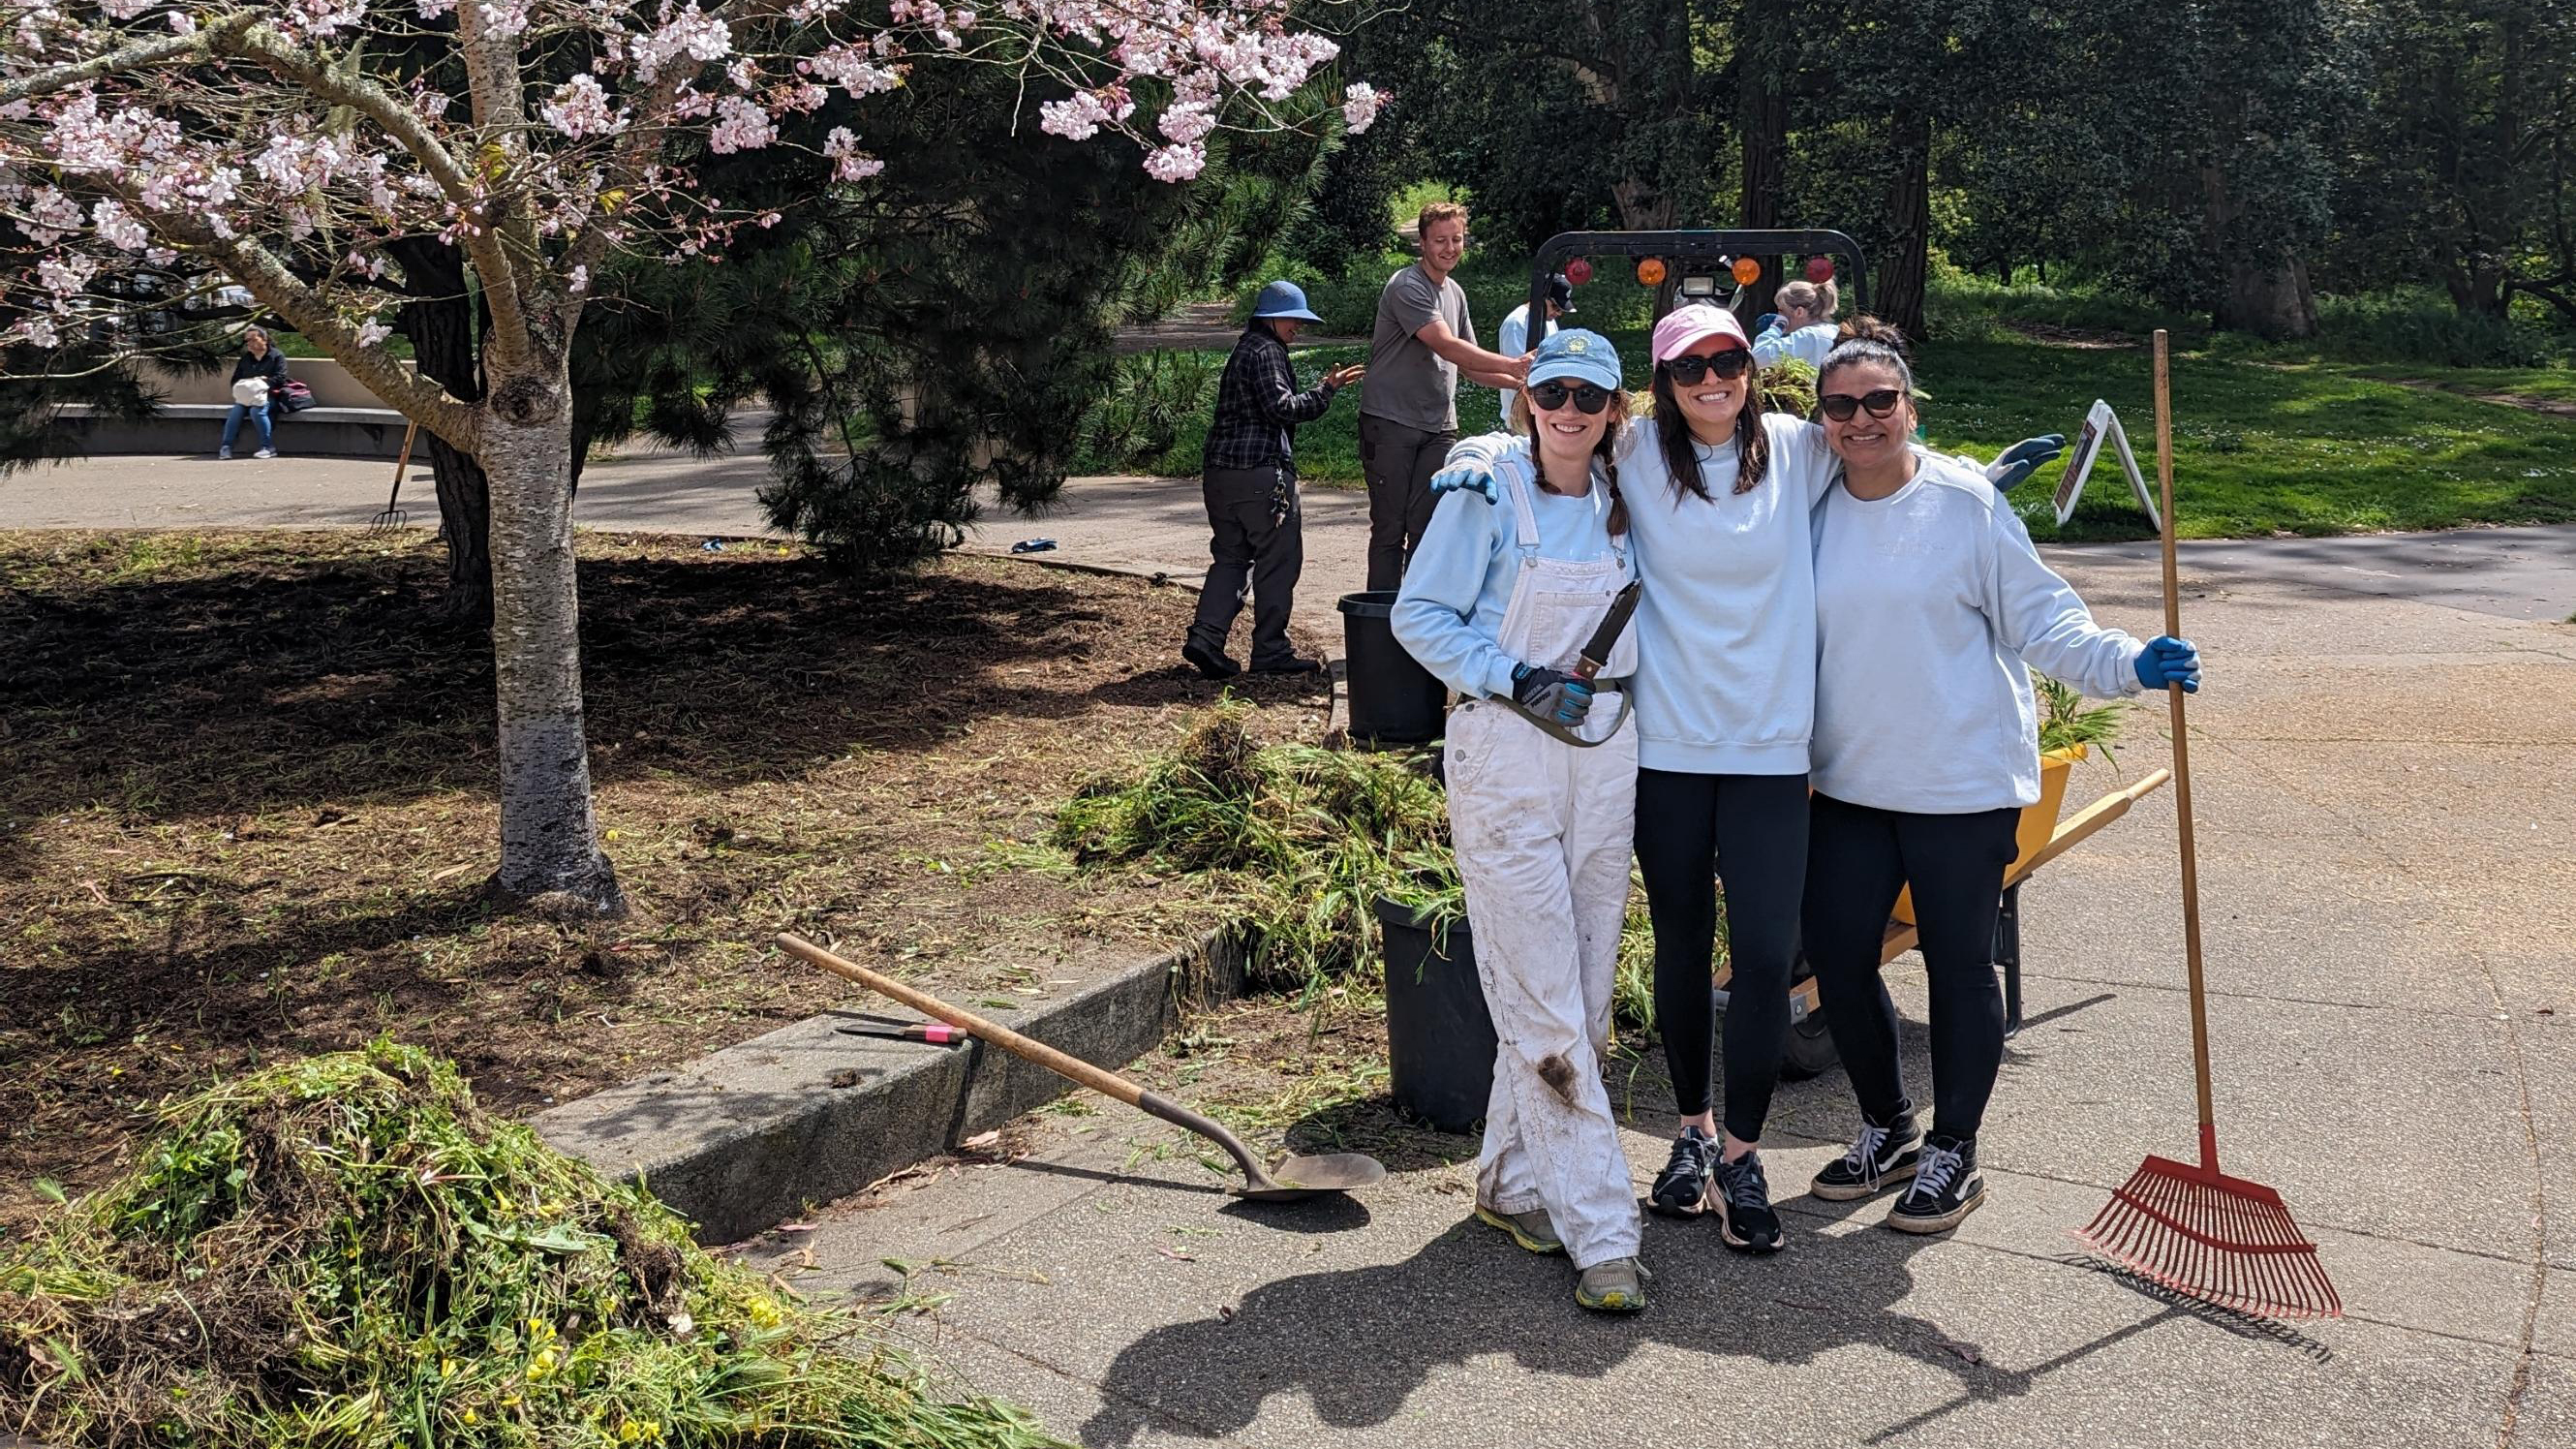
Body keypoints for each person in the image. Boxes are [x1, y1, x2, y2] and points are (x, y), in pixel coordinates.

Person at [1426, 305, 2066, 1257]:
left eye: (1727, 359)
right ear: (1663, 383)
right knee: (1682, 949)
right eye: (1690, 368)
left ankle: (1739, 1151)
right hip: (1669, 751)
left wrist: (1980, 484)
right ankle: (1686, 1135)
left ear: (1752, 367)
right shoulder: (1634, 450)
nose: (1712, 379)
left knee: (1766, 958)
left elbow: (1893, 453)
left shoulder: (1799, 449)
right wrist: (1475, 452)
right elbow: (1551, 429)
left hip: (1771, 755)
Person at [1799, 319, 2201, 1234]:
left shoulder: (1965, 504)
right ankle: (1888, 1127)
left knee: (1958, 964)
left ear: (1909, 407)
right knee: (1838, 955)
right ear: (1821, 418)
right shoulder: (1813, 506)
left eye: (1880, 402)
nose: (1862, 420)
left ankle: (1955, 1149)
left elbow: (2044, 621)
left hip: (1961, 781)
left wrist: (2131, 662)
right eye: (1842, 406)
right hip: (1850, 783)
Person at [1389, 328, 1650, 1313]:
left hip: (1605, 753)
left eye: (1588, 393)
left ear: (1614, 406)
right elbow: (1418, 617)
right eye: (1552, 393)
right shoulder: (1488, 489)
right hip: (1503, 753)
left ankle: (1509, 1180)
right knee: (1541, 995)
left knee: (1577, 987)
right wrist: (1511, 675)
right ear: (1526, 399)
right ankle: (1602, 1230)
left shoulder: (1633, 499)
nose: (1568, 409)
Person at [1182, 280, 1364, 679]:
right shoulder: (1266, 351)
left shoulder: (1243, 349)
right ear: (1271, 318)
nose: (1298, 327)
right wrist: (1326, 390)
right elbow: (1282, 408)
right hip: (1260, 475)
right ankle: (1270, 650)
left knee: (1230, 557)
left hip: (1219, 475)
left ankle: (1206, 637)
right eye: (1293, 319)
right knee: (1278, 561)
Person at [1358, 200, 1531, 590]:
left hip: (1438, 427)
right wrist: (1516, 364)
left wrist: (1522, 382)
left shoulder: (1455, 292)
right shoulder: (1407, 285)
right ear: (1421, 243)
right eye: (1440, 240)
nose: (1450, 248)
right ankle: (1380, 624)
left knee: (1427, 526)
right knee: (1390, 528)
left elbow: (1470, 368)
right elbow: (1447, 346)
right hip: (1391, 422)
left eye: (1457, 239)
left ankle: (1418, 620)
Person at [1493, 272, 1574, 425]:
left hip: (1545, 414)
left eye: (1561, 309)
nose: (1558, 313)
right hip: (1521, 418)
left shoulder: (1549, 321)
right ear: (1540, 297)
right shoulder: (1516, 324)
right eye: (1555, 307)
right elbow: (1518, 371)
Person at [219, 325, 289, 460]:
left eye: (253, 339)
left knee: (257, 411)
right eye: (247, 341)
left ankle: (267, 447)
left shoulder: (276, 356)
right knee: (236, 412)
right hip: (246, 397)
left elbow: (281, 378)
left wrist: (264, 382)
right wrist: (250, 383)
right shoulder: (246, 358)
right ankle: (226, 447)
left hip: (268, 396)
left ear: (264, 339)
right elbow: (235, 380)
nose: (249, 344)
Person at [1752, 276, 1840, 372]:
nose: (1778, 315)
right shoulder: (1835, 331)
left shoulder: (1807, 337)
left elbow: (1758, 357)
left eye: (1781, 310)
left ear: (1799, 312)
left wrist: (1776, 327)